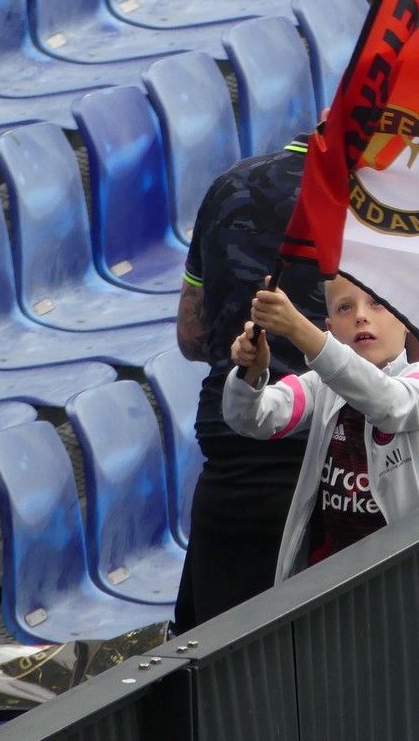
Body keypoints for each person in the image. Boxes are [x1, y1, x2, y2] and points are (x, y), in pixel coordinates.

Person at [172, 140, 325, 629]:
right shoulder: (392, 200)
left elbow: (192, 337)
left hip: (233, 463)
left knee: (221, 667)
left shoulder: (230, 183)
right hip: (336, 460)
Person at [224, 276, 419, 580]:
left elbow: (387, 403)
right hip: (335, 582)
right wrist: (250, 375)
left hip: (414, 579)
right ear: (331, 329)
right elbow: (251, 419)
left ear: (406, 319)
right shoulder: (320, 385)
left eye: (377, 302)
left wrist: (298, 328)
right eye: (345, 307)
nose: (361, 315)